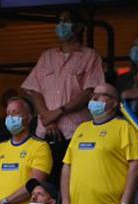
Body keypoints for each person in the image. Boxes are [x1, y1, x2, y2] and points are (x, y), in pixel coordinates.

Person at [21, 9, 105, 148]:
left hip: (76, 132)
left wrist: (58, 113)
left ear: (79, 27)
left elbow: (89, 92)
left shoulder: (90, 56)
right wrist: (47, 118)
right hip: (44, 131)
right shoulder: (47, 56)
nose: (61, 25)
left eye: (65, 21)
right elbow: (34, 90)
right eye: (59, 22)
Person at [0, 96, 52, 204]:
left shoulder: (40, 147)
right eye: (8, 113)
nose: (10, 117)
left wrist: (5, 202)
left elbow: (34, 183)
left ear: (28, 118)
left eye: (15, 113)